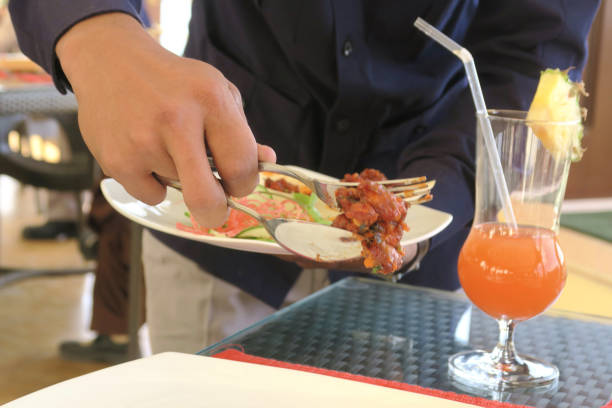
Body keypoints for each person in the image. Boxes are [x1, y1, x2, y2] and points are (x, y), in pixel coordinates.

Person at [9, 1, 600, 352]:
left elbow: (530, 46)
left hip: (425, 211)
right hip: (219, 203)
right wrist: (99, 36)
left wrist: (427, 199)